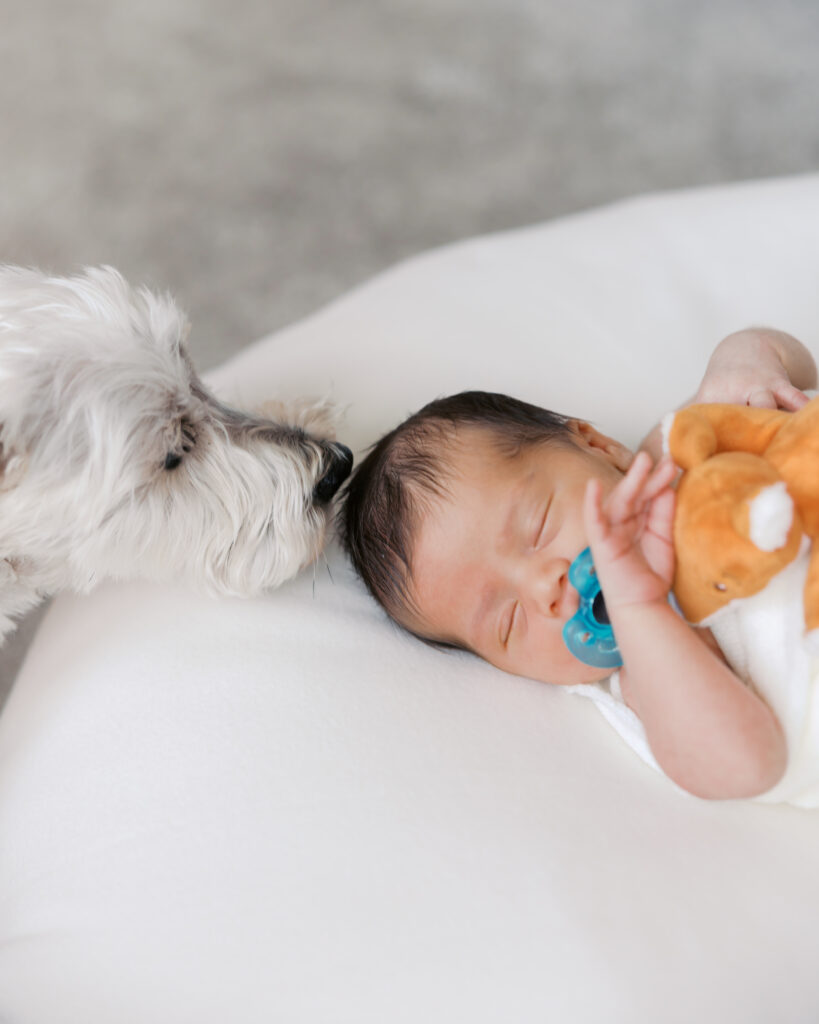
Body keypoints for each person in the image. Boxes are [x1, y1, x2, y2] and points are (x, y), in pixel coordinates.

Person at [341, 328, 818, 800]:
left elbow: (793, 366)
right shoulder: (648, 682)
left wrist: (741, 364)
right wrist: (644, 612)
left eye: (538, 526)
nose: (544, 586)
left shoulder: (670, 455)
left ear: (597, 445)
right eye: (508, 622)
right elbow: (750, 768)